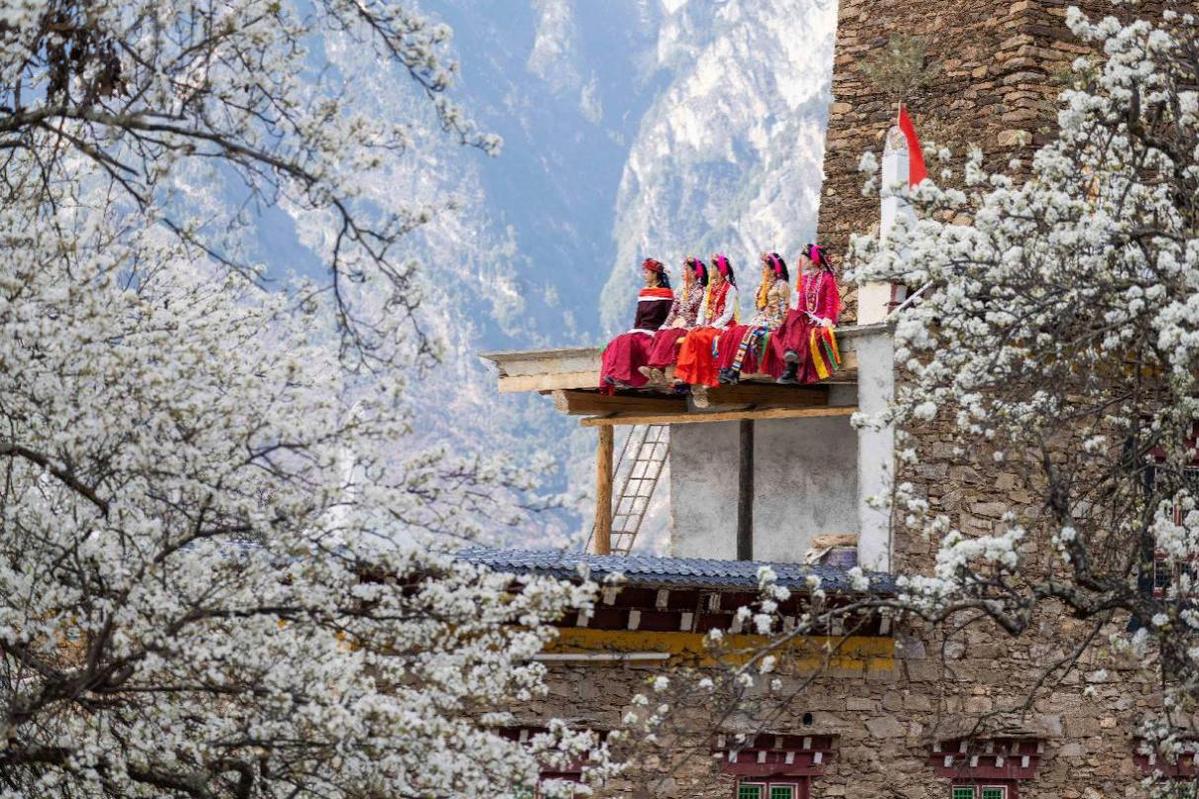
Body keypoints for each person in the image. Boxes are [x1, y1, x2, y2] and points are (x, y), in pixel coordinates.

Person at [766, 243, 842, 385]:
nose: (800, 262)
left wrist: (828, 319)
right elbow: (801, 305)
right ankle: (790, 358)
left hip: (821, 319)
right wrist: (797, 319)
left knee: (803, 331)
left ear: (813, 261)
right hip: (807, 318)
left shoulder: (827, 278)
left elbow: (831, 303)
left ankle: (791, 367)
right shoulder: (805, 279)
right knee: (791, 318)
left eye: (803, 259)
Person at [598, 258, 674, 391]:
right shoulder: (643, 293)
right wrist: (635, 330)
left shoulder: (666, 295)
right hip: (639, 330)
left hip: (654, 331)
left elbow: (669, 318)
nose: (644, 275)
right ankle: (613, 374)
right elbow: (638, 318)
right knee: (620, 340)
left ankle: (621, 375)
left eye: (646, 272)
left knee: (630, 341)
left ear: (655, 274)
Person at [716, 252, 791, 384]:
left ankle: (735, 370)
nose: (763, 269)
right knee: (735, 331)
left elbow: (784, 311)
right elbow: (759, 309)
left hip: (774, 322)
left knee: (749, 333)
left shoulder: (782, 285)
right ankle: (726, 367)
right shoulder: (762, 285)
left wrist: (775, 323)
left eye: (765, 267)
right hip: (759, 320)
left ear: (774, 270)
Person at [674, 253, 738, 406]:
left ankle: (701, 380)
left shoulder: (730, 289)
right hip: (708, 325)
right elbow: (703, 309)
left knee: (704, 338)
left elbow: (728, 313)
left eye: (712, 267)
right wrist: (699, 324)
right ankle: (685, 375)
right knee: (692, 335)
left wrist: (713, 326)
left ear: (719, 270)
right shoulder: (710, 288)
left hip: (723, 326)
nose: (709, 270)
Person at [638, 257, 708, 388]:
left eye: (686, 269)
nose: (682, 272)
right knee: (660, 333)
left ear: (694, 273)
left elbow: (700, 314)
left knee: (670, 335)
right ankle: (656, 369)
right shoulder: (680, 290)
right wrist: (665, 324)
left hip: (690, 326)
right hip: (677, 324)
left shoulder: (702, 291)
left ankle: (657, 367)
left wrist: (685, 322)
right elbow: (673, 311)